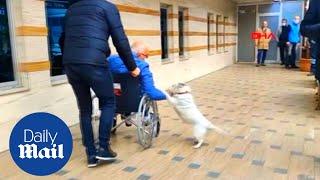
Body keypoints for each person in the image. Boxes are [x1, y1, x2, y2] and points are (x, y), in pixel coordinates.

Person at [62, 0, 140, 168]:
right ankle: (103, 148)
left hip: (71, 63)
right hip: (94, 62)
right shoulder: (108, 7)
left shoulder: (71, 9)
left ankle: (91, 154)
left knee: (84, 109)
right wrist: (132, 67)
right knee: (108, 102)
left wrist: (71, 58)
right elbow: (120, 40)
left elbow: (63, 39)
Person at [301, 0, 320, 81]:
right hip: (314, 42)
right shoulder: (316, 2)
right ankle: (313, 70)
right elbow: (304, 29)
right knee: (313, 56)